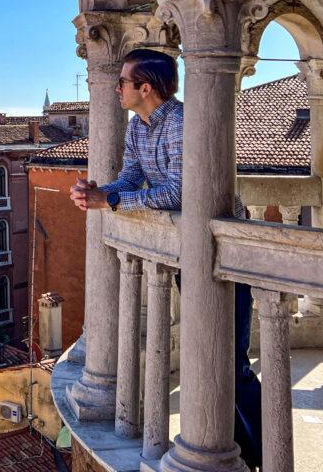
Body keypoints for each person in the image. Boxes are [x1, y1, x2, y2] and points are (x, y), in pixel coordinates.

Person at [70, 48, 262, 470]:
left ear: (146, 87)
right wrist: (98, 191)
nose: (116, 88)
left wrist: (114, 199)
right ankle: (241, 452)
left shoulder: (179, 121)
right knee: (207, 358)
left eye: (123, 81)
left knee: (232, 365)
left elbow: (181, 193)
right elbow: (132, 176)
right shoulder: (138, 126)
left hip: (224, 252)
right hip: (185, 253)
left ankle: (262, 454)